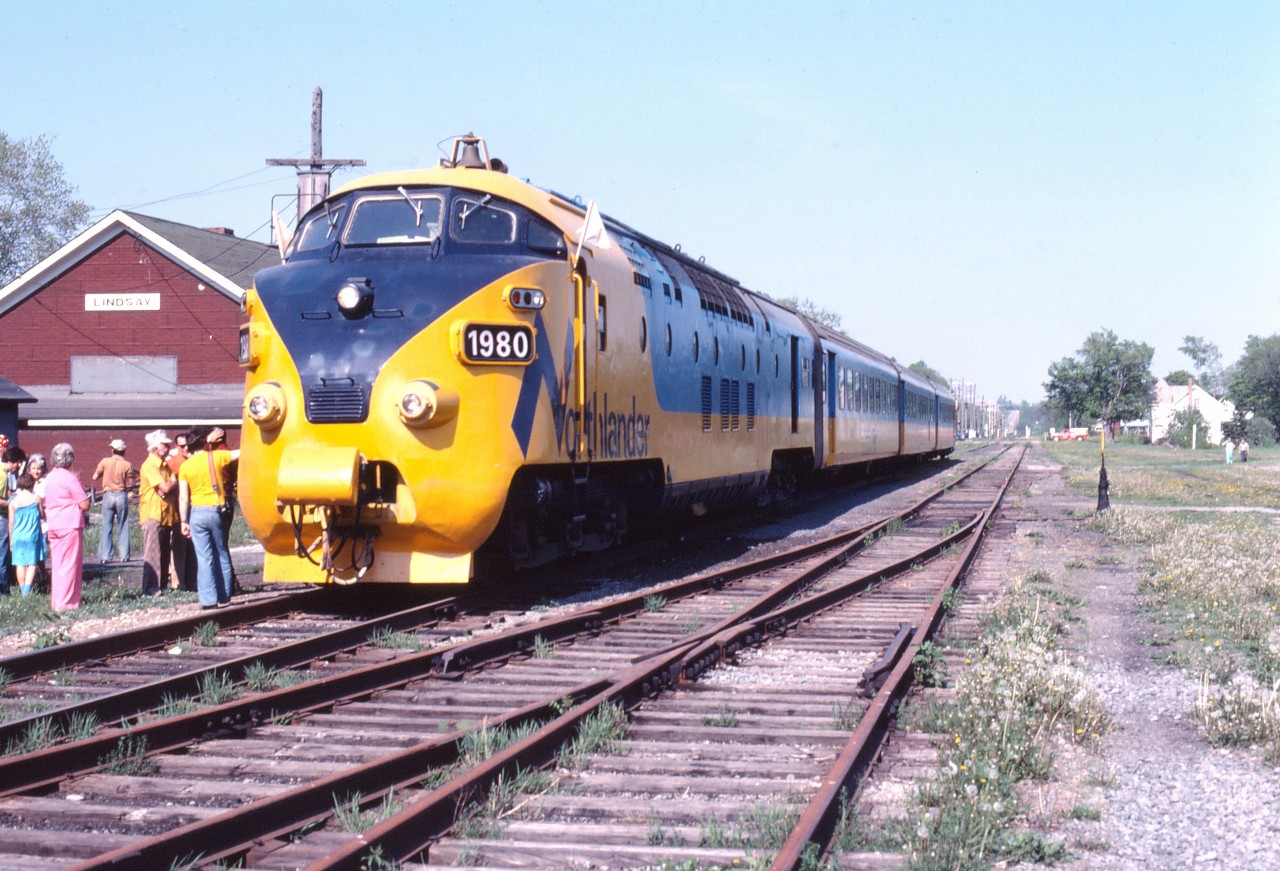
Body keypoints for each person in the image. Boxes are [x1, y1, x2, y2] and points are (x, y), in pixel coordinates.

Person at [179, 427, 240, 609]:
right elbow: (242, 453)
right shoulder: (217, 457)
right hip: (216, 509)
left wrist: (183, 521)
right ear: (205, 442)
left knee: (204, 557)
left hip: (197, 513)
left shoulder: (185, 466)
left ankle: (208, 600)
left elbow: (183, 497)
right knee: (221, 552)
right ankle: (224, 596)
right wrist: (211, 443)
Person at [44, 443, 91, 611]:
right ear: (70, 459)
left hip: (53, 524)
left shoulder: (49, 477)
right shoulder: (70, 477)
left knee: (57, 564)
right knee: (70, 565)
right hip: (69, 524)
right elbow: (85, 504)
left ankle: (56, 601)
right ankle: (67, 603)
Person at [139, 430, 180, 596]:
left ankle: (160, 586)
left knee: (163, 553)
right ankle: (150, 588)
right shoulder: (150, 465)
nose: (168, 446)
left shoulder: (165, 465)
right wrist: (171, 484)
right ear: (156, 447)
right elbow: (165, 487)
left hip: (165, 515)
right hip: (153, 515)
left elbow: (170, 485)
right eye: (165, 444)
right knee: (153, 553)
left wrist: (171, 485)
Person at [93, 438, 134, 562]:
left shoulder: (105, 461)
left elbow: (95, 477)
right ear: (124, 451)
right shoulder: (127, 465)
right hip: (121, 494)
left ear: (112, 450)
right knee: (123, 525)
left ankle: (105, 556)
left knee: (106, 525)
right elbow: (131, 483)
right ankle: (124, 555)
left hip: (108, 495)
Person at [167, 433, 197, 591]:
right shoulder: (175, 463)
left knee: (191, 547)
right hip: (180, 510)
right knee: (179, 547)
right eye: (182, 446)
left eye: (187, 445)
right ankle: (179, 583)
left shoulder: (191, 461)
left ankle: (191, 581)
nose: (186, 448)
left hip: (192, 508)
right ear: (177, 447)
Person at [7, 473, 44, 597]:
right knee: (31, 564)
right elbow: (42, 515)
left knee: (20, 564)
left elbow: (11, 523)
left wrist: (11, 540)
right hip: (32, 536)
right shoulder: (36, 498)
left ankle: (22, 590)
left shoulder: (13, 502)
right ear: (32, 484)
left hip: (17, 536)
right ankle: (26, 593)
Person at [1, 444, 27, 595]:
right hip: (1, 518)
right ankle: (4, 590)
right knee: (2, 553)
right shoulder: (3, 475)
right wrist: (13, 502)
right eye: (18, 464)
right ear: (13, 461)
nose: (18, 468)